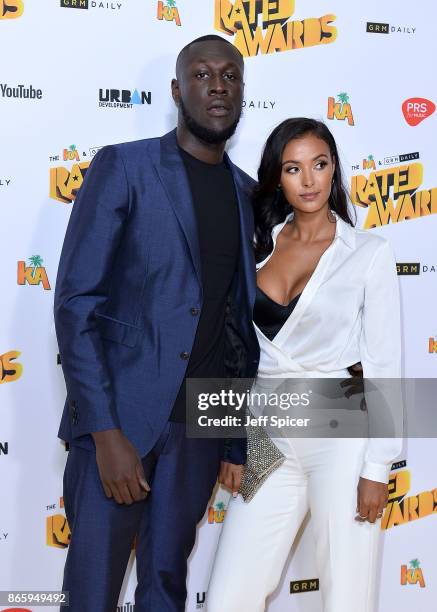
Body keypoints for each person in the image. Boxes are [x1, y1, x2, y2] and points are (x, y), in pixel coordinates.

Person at [54, 34, 259, 612]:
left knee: (166, 589)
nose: (217, 85)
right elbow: (76, 304)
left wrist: (232, 437)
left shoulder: (247, 195)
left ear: (241, 90)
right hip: (119, 426)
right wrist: (104, 434)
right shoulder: (125, 166)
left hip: (196, 433)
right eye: (201, 74)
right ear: (177, 89)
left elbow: (233, 327)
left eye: (229, 75)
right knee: (91, 594)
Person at [207, 118, 402, 612]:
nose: (309, 181)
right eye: (294, 169)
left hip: (340, 431)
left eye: (319, 164)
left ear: (334, 168)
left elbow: (384, 365)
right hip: (267, 431)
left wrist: (378, 466)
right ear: (278, 177)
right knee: (230, 594)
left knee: (348, 594)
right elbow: (233, 348)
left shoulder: (368, 254)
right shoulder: (256, 246)